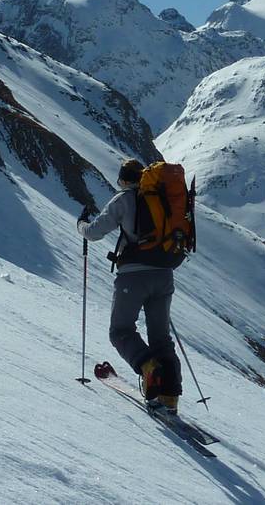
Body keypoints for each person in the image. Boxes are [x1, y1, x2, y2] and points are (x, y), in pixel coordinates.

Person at [78, 158, 183, 413]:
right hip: (164, 274)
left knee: (121, 331)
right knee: (161, 337)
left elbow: (94, 232)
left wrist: (81, 224)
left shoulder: (124, 198)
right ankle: (169, 396)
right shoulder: (164, 199)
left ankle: (148, 368)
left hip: (133, 276)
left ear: (124, 179)